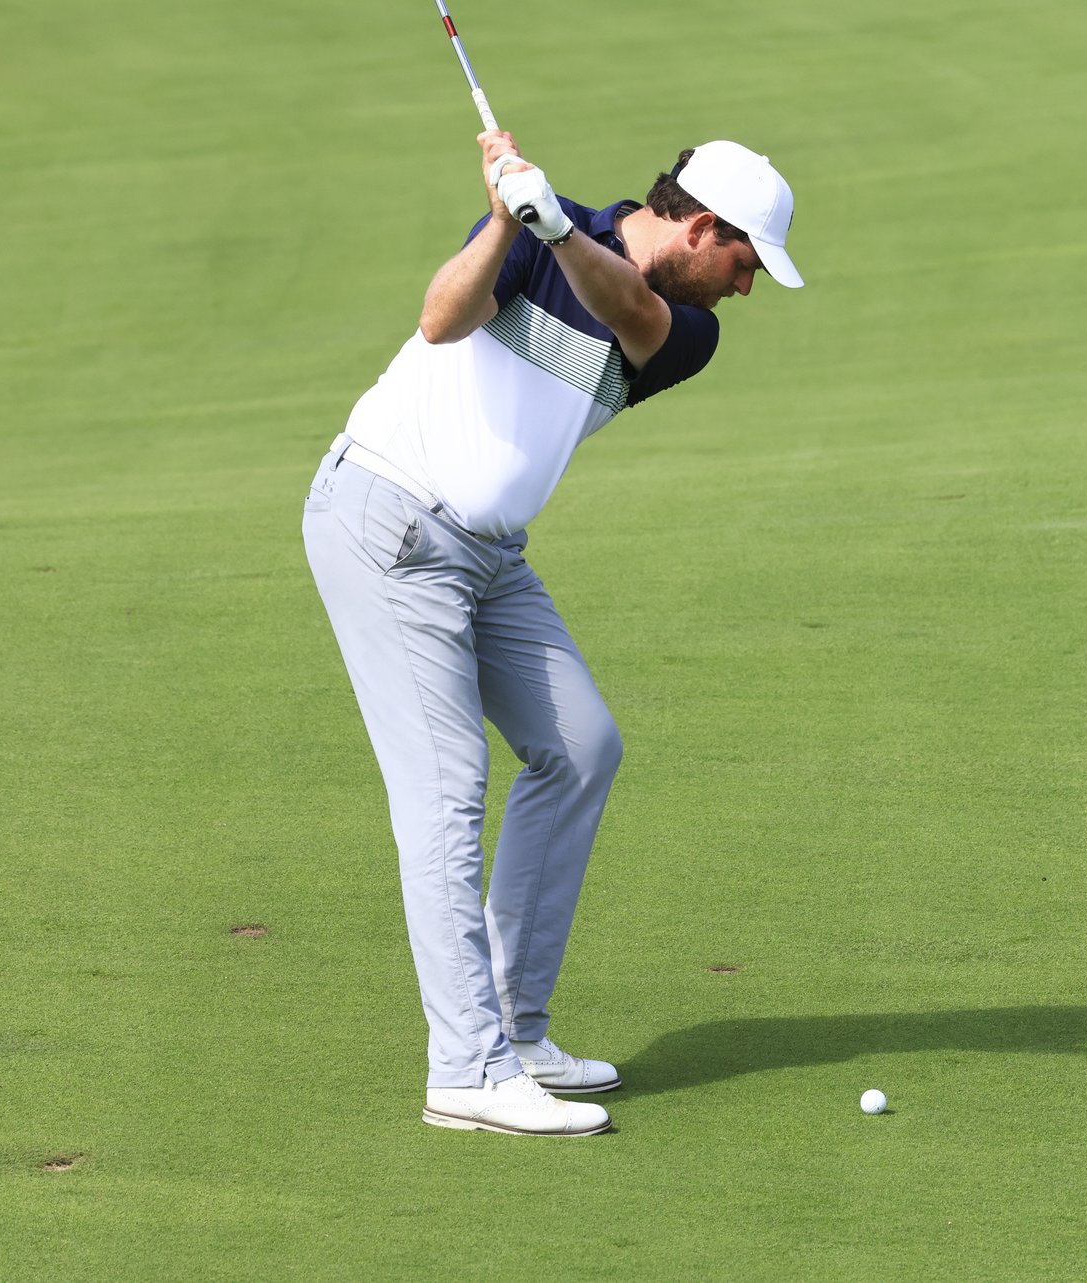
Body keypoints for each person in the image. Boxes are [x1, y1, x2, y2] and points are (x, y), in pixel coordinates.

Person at [302, 128, 802, 1135]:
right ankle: (467, 1068)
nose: (746, 286)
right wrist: (503, 220)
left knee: (581, 748)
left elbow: (631, 312)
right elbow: (441, 320)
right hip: (392, 523)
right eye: (745, 261)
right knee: (445, 791)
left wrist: (557, 230)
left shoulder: (684, 328)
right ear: (702, 226)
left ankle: (517, 1029)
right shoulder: (533, 229)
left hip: (489, 556)